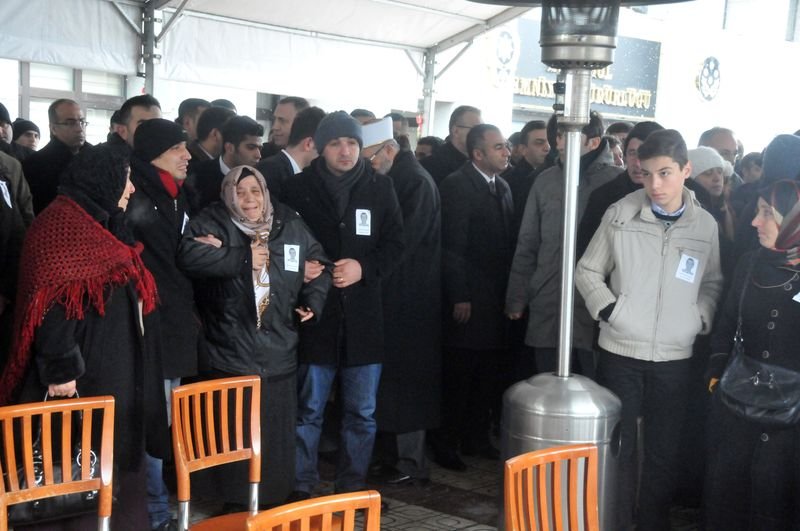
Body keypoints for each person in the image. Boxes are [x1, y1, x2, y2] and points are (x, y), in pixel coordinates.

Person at [0, 144, 167, 531]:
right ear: (102, 179)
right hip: (80, 381)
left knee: (115, 470)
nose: (131, 190)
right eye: (125, 179)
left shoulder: (103, 223)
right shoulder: (61, 226)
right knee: (73, 472)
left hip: (114, 374)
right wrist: (61, 370)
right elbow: (51, 307)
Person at [575, 129, 723, 531]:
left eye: (666, 173)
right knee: (620, 447)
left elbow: (711, 282)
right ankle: (617, 521)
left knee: (663, 451)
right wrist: (610, 310)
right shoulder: (621, 213)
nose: (655, 184)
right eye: (646, 173)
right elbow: (587, 270)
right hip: (620, 350)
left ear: (686, 171)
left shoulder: (704, 225)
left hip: (675, 357)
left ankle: (653, 523)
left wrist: (699, 318)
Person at [177, 165, 331, 508]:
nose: (249, 200)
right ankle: (231, 503)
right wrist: (239, 256)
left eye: (255, 191)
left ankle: (272, 501)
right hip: (228, 352)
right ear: (227, 194)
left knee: (274, 434)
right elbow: (188, 256)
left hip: (280, 350)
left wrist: (312, 302)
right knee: (232, 434)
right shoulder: (211, 221)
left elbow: (320, 264)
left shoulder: (288, 223)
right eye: (241, 192)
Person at [282, 111, 404, 500]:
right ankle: (301, 486)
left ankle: (351, 486)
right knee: (308, 409)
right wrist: (299, 268)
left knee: (362, 413)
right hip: (315, 316)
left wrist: (363, 268)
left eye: (351, 142)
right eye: (335, 143)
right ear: (319, 146)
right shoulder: (295, 188)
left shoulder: (380, 188)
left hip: (364, 318)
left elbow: (397, 246)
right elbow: (278, 242)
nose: (345, 151)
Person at [704, 179, 800, 530]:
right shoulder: (748, 264)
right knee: (731, 504)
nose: (754, 222)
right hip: (738, 410)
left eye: (766, 214)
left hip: (793, 427)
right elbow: (726, 324)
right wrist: (716, 375)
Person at [359, 118, 442, 485]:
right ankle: (391, 458)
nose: (370, 165)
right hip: (394, 297)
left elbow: (402, 244)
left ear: (389, 149)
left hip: (411, 299)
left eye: (372, 157)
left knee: (409, 385)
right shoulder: (398, 177)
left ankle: (409, 462)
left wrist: (369, 269)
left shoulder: (416, 183)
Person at [506, 111, 617, 379]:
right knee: (546, 383)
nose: (560, 143)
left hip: (597, 309)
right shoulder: (545, 181)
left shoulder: (615, 182)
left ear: (592, 141)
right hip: (549, 301)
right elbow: (528, 242)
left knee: (594, 388)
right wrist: (517, 296)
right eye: (557, 136)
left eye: (569, 136)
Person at [126, 118, 198, 531]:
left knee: (166, 419)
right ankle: (152, 514)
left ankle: (157, 509)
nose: (187, 156)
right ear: (156, 154)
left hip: (172, 322)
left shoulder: (174, 193)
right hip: (147, 325)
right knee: (153, 419)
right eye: (177, 149)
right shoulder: (137, 193)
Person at [432, 124, 514, 470]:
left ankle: (476, 437)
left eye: (506, 146)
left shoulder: (504, 186)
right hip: (468, 297)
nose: (506, 152)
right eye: (498, 147)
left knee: (486, 373)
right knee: (460, 375)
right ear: (478, 153)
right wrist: (459, 294)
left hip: (495, 299)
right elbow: (452, 246)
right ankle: (446, 443)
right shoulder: (457, 185)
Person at [184, 115, 263, 215]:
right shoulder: (196, 177)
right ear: (229, 148)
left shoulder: (261, 178)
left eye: (260, 148)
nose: (258, 155)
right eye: (251, 147)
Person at [22, 99, 89, 213]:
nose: (79, 128)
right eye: (70, 123)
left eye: (82, 122)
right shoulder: (35, 165)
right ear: (53, 128)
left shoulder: (96, 158)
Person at [256, 106, 325, 201]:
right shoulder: (269, 174)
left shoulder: (282, 170)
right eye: (325, 146)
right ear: (309, 143)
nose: (326, 154)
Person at [421, 105, 482, 186]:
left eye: (482, 129)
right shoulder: (431, 167)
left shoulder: (480, 163)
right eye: (476, 129)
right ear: (456, 131)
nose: (482, 135)